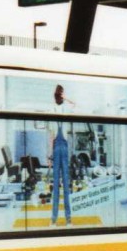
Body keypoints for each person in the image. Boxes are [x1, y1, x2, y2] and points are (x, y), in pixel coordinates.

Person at [50, 84, 77, 227]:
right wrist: (49, 155)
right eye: (60, 93)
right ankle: (53, 219)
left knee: (66, 184)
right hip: (56, 146)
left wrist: (66, 98)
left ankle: (68, 219)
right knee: (55, 185)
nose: (61, 96)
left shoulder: (66, 108)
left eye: (62, 94)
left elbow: (75, 104)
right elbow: (50, 134)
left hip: (64, 146)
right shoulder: (51, 109)